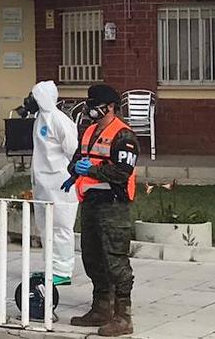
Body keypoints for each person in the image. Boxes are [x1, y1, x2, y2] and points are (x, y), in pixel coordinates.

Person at [68, 84, 139, 336]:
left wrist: (91, 170)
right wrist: (75, 168)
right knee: (92, 256)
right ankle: (101, 307)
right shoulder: (87, 132)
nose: (89, 108)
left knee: (115, 260)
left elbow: (122, 172)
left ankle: (123, 316)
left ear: (110, 107)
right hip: (90, 202)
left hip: (113, 205)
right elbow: (75, 160)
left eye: (94, 104)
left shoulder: (124, 136)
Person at [22, 80, 79, 286]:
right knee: (45, 227)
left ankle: (63, 270)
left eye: (33, 97)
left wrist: (71, 175)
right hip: (43, 184)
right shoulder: (40, 119)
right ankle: (50, 267)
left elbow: (73, 150)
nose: (30, 101)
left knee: (61, 227)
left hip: (60, 183)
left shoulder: (59, 120)